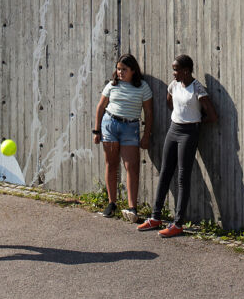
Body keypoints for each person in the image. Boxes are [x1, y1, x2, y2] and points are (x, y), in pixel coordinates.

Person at [138, 54, 217, 238]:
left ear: (186, 70)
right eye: (173, 69)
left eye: (176, 69)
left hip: (189, 133)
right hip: (173, 130)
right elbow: (170, 103)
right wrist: (180, 118)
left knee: (182, 177)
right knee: (165, 172)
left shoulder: (197, 89)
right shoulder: (173, 86)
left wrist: (195, 121)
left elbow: (213, 116)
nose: (173, 73)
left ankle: (178, 223)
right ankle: (155, 217)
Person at [93, 53, 154, 221]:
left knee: (131, 167)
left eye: (124, 69)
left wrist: (146, 136)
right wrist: (97, 131)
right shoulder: (112, 85)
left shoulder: (143, 87)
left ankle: (132, 207)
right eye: (118, 69)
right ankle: (112, 203)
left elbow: (149, 112)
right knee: (111, 164)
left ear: (133, 70)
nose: (120, 72)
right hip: (110, 125)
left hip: (130, 128)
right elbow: (101, 106)